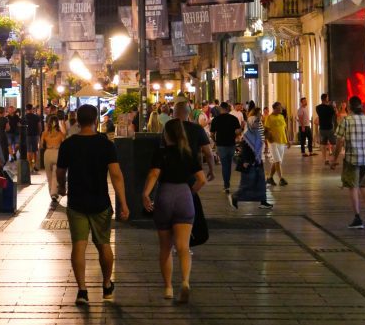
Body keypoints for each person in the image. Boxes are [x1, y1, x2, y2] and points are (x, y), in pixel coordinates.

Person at [57, 105, 129, 305]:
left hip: (77, 201)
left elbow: (60, 171)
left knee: (78, 246)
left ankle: (82, 291)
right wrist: (123, 203)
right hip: (100, 202)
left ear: (77, 121)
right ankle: (106, 285)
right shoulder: (105, 144)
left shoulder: (69, 144)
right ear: (96, 120)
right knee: (103, 245)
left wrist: (62, 187)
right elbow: (116, 175)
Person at [142, 119, 206, 302]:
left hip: (165, 196)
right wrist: (190, 192)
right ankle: (185, 281)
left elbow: (154, 174)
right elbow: (201, 179)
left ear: (166, 134)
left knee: (165, 247)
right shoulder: (188, 153)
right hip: (184, 195)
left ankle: (168, 288)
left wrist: (146, 194)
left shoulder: (161, 153)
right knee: (183, 247)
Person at [332, 96, 365, 229]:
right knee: (364, 185)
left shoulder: (346, 120)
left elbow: (339, 141)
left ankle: (357, 218)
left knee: (353, 187)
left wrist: (334, 159)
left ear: (349, 106)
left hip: (352, 159)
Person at [231, 113, 273, 210]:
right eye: (255, 123)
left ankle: (263, 202)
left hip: (258, 162)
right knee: (248, 184)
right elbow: (244, 150)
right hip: (249, 164)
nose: (257, 124)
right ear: (250, 123)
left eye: (258, 123)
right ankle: (236, 197)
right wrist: (245, 161)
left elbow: (260, 147)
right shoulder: (246, 136)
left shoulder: (258, 134)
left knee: (262, 183)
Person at [209, 102, 242, 194]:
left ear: (220, 109)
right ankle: (227, 184)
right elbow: (238, 131)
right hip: (231, 144)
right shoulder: (233, 118)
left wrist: (215, 141)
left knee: (224, 165)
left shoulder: (216, 119)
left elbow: (212, 134)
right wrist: (236, 134)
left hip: (221, 145)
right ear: (228, 108)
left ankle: (226, 185)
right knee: (229, 164)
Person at [264, 102, 289, 186]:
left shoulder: (281, 116)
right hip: (273, 142)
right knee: (277, 160)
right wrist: (268, 139)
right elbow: (266, 130)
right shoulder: (269, 118)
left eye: (281, 108)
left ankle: (270, 178)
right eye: (279, 108)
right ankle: (281, 178)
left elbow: (285, 129)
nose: (281, 109)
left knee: (277, 161)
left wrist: (288, 140)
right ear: (274, 109)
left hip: (282, 141)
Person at [42, 116, 66, 203]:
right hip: (57, 152)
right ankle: (54, 193)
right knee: (56, 174)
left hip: (47, 153)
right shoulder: (60, 133)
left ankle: (51, 193)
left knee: (49, 175)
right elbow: (64, 143)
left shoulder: (44, 133)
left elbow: (41, 145)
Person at [315, 94, 338, 167]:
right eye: (328, 98)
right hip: (330, 128)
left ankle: (325, 159)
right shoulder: (330, 107)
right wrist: (334, 107)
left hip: (322, 128)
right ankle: (334, 159)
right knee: (333, 144)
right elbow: (336, 114)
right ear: (326, 99)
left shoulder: (318, 108)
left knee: (323, 145)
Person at [25, 104, 42, 170]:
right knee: (35, 150)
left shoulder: (24, 117)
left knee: (28, 150)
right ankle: (35, 164)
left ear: (26, 109)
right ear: (32, 109)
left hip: (27, 135)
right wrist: (39, 133)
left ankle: (30, 165)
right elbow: (39, 126)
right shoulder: (36, 117)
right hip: (35, 135)